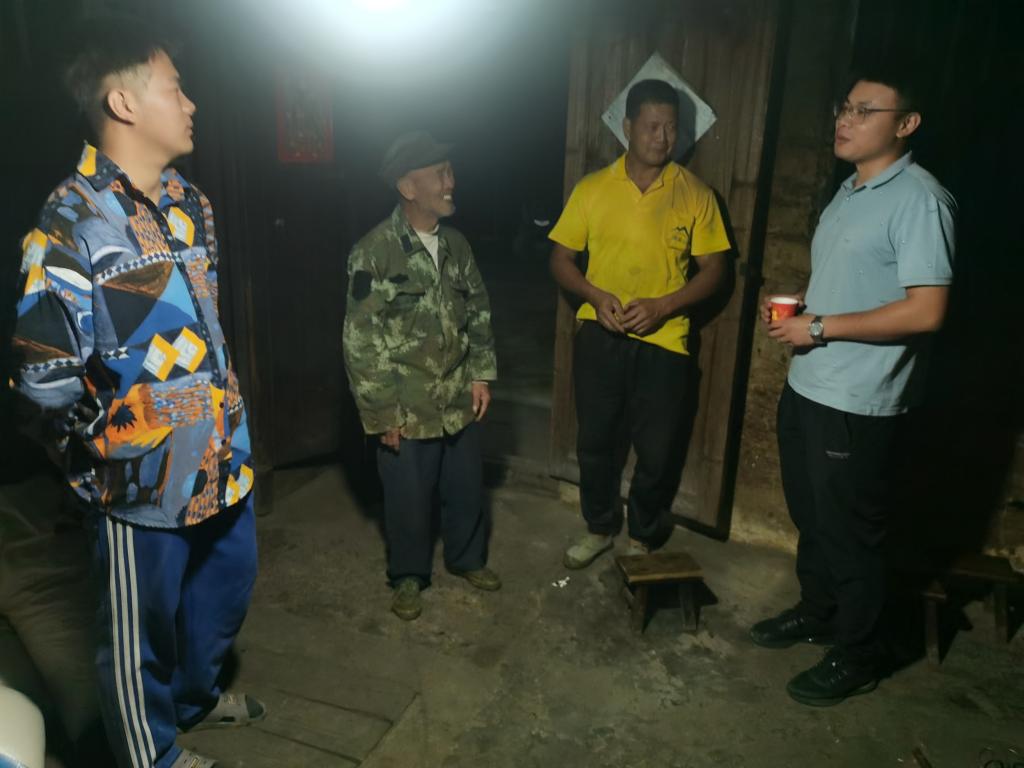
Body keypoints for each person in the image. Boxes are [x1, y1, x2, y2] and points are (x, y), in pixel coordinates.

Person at [9, 18, 263, 768]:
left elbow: (201, 324)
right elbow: (43, 379)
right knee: (135, 635)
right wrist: (106, 452)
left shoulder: (191, 202)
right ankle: (150, 754)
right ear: (122, 103)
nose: (191, 103)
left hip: (223, 459)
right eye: (174, 88)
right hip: (137, 484)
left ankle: (193, 700)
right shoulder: (70, 222)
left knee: (224, 590)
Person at [750, 68, 955, 706]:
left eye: (865, 110)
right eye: (845, 107)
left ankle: (860, 651)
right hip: (811, 384)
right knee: (813, 517)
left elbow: (927, 310)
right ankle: (820, 612)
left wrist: (819, 325)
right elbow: (860, 281)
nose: (845, 119)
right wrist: (808, 305)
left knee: (851, 532)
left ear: (906, 123)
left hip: (859, 401)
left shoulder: (920, 199)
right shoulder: (849, 190)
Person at [548, 79, 730, 569]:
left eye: (671, 127)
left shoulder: (695, 194)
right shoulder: (592, 189)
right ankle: (598, 527)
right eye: (651, 126)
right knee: (595, 442)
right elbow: (561, 259)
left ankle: (643, 535)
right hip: (600, 334)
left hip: (665, 341)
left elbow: (716, 271)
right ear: (627, 127)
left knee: (658, 448)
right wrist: (594, 295)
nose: (662, 137)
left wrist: (664, 306)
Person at [343, 131, 501, 621]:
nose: (451, 182)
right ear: (408, 187)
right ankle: (408, 574)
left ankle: (466, 558)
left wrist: (481, 375)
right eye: (440, 174)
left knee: (466, 487)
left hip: (457, 396)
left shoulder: (456, 245)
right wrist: (382, 414)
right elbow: (361, 341)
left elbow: (479, 310)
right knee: (408, 498)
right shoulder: (374, 252)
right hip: (406, 406)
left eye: (450, 171)